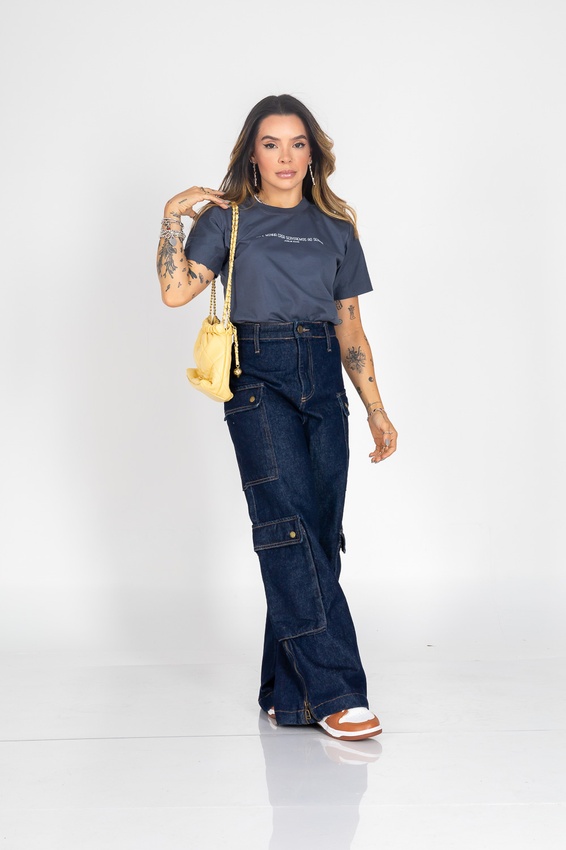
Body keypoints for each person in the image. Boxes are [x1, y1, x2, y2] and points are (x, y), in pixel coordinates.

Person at [156, 94, 397, 741]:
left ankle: (287, 695)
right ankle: (338, 691)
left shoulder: (337, 228)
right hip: (258, 378)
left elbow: (350, 328)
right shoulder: (227, 220)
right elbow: (176, 291)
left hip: (325, 379)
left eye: (297, 143)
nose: (285, 156)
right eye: (271, 144)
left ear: (312, 154)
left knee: (318, 534)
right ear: (252, 155)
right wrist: (173, 218)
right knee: (287, 528)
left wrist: (376, 409)